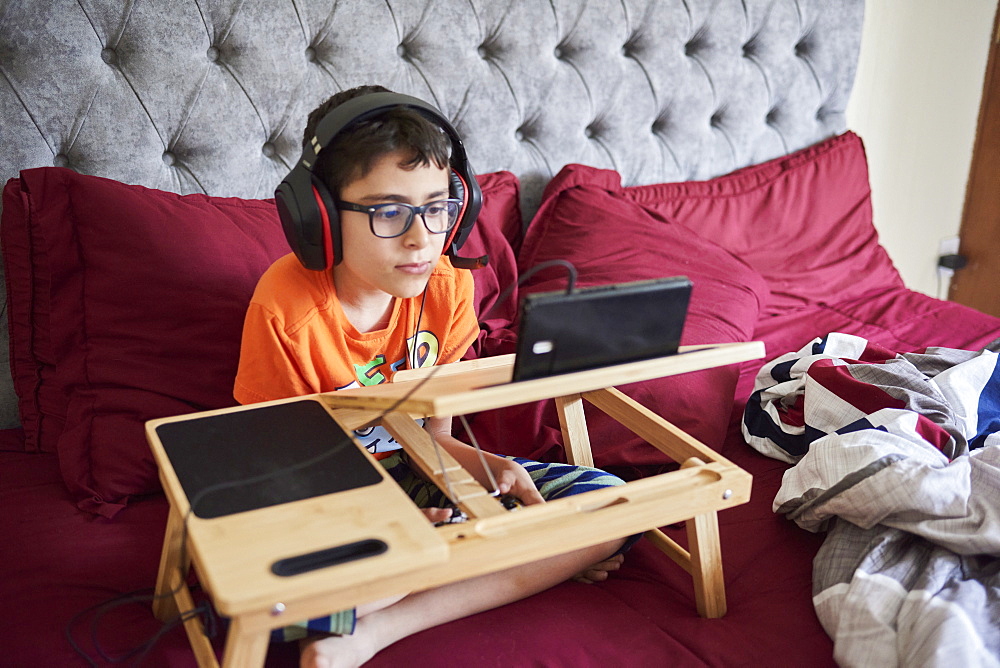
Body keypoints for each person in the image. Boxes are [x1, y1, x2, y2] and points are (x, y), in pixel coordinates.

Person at [234, 85, 630, 668]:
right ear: (317, 215)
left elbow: (437, 436)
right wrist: (382, 520)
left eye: (438, 206)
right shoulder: (285, 309)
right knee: (259, 594)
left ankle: (373, 629)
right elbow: (275, 472)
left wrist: (488, 468)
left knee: (614, 506)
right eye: (389, 211)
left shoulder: (446, 284)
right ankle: (506, 557)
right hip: (323, 495)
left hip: (419, 473)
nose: (423, 238)